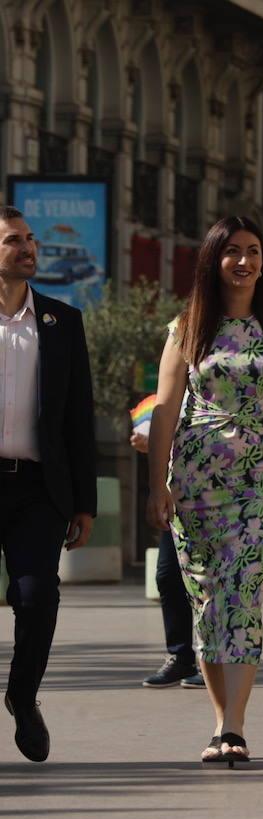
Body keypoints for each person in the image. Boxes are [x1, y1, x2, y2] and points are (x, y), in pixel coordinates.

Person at [147, 216, 263, 766]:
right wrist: (157, 485)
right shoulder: (186, 328)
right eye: (233, 252)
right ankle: (219, 722)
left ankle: (235, 725)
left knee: (242, 592)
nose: (244, 261)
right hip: (195, 482)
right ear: (213, 260)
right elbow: (165, 410)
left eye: (253, 251)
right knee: (207, 602)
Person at [0, 205, 96, 763]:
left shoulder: (62, 322)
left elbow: (77, 419)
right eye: (14, 241)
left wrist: (84, 501)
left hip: (39, 488)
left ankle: (22, 695)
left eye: (31, 239)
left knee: (37, 597)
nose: (28, 248)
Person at [131, 427, 204, 689]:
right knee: (168, 575)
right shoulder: (173, 391)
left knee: (215, 579)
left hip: (223, 482)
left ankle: (218, 659)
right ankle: (180, 656)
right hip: (180, 490)